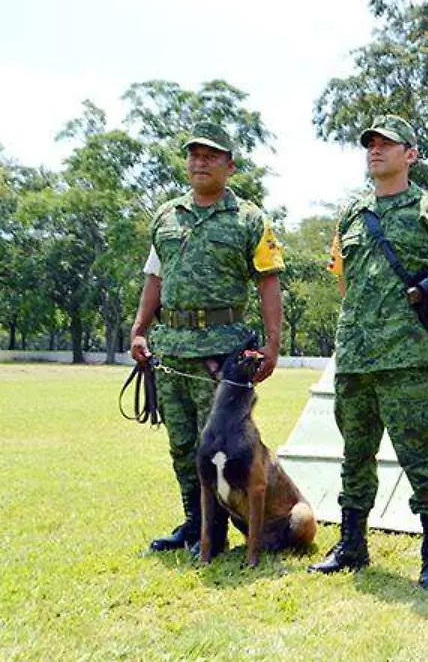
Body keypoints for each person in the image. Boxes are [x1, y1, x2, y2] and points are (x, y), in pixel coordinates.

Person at [308, 114, 428, 588]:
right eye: (370, 144)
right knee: (355, 453)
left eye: (387, 144)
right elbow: (343, 279)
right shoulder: (352, 213)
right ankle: (353, 544)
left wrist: (406, 317)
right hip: (355, 356)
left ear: (410, 154)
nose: (375, 150)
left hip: (405, 358)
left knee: (419, 455)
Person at [129, 121, 285, 557]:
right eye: (194, 154)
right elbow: (154, 277)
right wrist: (140, 329)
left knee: (225, 447)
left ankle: (226, 532)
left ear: (230, 166)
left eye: (211, 155)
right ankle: (196, 526)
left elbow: (269, 283)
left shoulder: (250, 220)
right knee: (183, 446)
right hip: (172, 351)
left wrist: (272, 344)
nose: (200, 162)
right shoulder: (166, 216)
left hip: (223, 357)